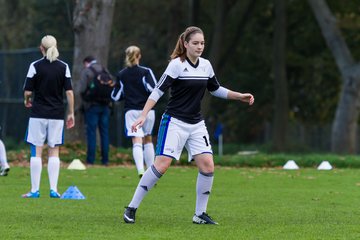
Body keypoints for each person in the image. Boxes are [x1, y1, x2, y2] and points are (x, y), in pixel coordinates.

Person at [123, 26, 254, 224]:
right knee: (162, 165)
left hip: (196, 123)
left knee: (208, 166)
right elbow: (157, 91)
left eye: (202, 43)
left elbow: (215, 89)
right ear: (185, 44)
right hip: (174, 121)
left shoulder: (206, 65)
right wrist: (143, 115)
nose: (200, 46)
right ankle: (131, 208)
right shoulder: (176, 65)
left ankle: (199, 214)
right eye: (195, 43)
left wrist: (239, 96)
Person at [22, 35, 75, 198]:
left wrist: (27, 100)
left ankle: (34, 191)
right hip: (57, 114)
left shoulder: (35, 66)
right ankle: (54, 190)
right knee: (54, 151)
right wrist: (71, 112)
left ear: (41, 48)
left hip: (38, 113)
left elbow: (28, 91)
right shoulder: (64, 66)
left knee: (36, 152)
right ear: (56, 46)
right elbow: (69, 92)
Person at [112, 46, 157, 177]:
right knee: (148, 139)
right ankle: (150, 172)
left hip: (131, 112)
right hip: (148, 111)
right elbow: (154, 89)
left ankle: (140, 171)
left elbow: (115, 96)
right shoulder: (146, 72)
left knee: (136, 141)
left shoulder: (122, 74)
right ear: (139, 56)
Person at [80, 56, 112, 166]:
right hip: (106, 106)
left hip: (92, 106)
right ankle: (105, 160)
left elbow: (82, 88)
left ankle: (90, 160)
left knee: (91, 133)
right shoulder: (104, 69)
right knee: (104, 133)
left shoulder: (87, 71)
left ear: (86, 62)